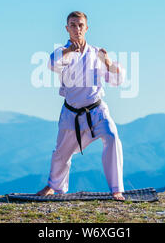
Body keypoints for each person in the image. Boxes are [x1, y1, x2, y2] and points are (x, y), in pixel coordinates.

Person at [36, 11, 126, 201]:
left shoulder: (97, 53)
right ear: (67, 28)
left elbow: (117, 80)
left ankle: (116, 189)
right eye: (73, 25)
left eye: (80, 25)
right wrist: (69, 51)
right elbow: (52, 64)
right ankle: (53, 186)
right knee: (61, 154)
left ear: (86, 28)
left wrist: (108, 63)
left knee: (111, 137)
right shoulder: (63, 53)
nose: (77, 29)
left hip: (97, 110)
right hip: (72, 113)